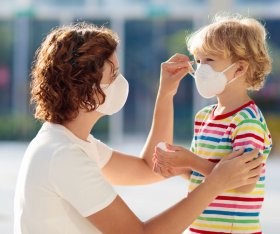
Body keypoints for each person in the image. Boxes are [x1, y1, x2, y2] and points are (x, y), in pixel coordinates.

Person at [13, 23, 263, 234]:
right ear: (87, 89)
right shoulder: (63, 155)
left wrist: (166, 94)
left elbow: (149, 168)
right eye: (114, 75)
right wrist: (215, 183)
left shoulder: (71, 144)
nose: (122, 82)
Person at [153, 14, 273, 234]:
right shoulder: (204, 116)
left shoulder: (248, 122)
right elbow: (204, 174)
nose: (200, 69)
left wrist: (191, 160)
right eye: (198, 61)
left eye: (209, 60)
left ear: (239, 69)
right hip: (199, 228)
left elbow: (245, 183)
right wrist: (179, 168)